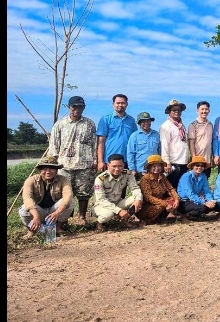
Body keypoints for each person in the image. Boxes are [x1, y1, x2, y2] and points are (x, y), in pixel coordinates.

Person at [47, 95, 98, 224]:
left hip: (84, 164)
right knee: (64, 193)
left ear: (83, 108)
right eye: (74, 106)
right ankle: (64, 219)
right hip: (64, 166)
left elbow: (94, 144)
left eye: (80, 107)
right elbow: (53, 146)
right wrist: (53, 164)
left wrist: (95, 160)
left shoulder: (89, 123)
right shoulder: (60, 124)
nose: (77, 109)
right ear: (69, 107)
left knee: (84, 193)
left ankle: (81, 217)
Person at [19, 156, 74, 238]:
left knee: (70, 202)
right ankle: (32, 230)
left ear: (56, 170)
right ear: (40, 170)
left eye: (51, 168)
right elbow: (27, 198)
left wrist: (57, 213)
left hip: (54, 211)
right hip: (39, 211)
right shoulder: (31, 180)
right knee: (23, 209)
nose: (48, 172)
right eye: (44, 169)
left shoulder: (63, 180)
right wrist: (36, 216)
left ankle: (57, 228)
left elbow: (67, 196)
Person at [91, 154, 143, 228]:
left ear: (124, 165)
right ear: (108, 165)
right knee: (108, 214)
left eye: (120, 166)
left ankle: (124, 219)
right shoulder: (100, 179)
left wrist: (138, 199)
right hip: (101, 205)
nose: (117, 169)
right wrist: (119, 211)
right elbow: (101, 200)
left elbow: (135, 188)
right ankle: (99, 223)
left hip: (117, 202)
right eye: (114, 166)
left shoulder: (127, 174)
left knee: (138, 198)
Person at [96, 94, 136, 173]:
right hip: (110, 161)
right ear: (113, 104)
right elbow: (101, 142)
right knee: (108, 184)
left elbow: (135, 141)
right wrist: (100, 161)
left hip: (127, 161)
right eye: (118, 103)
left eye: (123, 103)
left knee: (126, 184)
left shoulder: (131, 120)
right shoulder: (105, 119)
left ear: (127, 104)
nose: (120, 105)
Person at [136, 154, 179, 224]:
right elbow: (148, 198)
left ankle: (160, 218)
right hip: (146, 207)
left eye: (159, 166)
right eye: (154, 166)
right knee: (160, 206)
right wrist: (165, 204)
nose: (157, 168)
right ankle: (147, 221)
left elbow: (171, 189)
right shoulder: (145, 179)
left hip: (160, 202)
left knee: (174, 201)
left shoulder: (162, 177)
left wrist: (176, 199)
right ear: (149, 168)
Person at [159, 99, 191, 189]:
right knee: (171, 187)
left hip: (183, 161)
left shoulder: (181, 126)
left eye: (179, 110)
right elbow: (164, 145)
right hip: (173, 162)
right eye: (174, 110)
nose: (177, 112)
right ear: (169, 112)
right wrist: (166, 162)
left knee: (181, 187)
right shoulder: (166, 126)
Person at [176, 155, 216, 220]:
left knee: (213, 205)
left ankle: (194, 215)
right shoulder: (186, 177)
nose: (199, 167)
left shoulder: (203, 176)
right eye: (197, 165)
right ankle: (186, 216)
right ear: (192, 166)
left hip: (195, 201)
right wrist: (205, 203)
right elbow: (190, 194)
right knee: (203, 207)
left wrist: (210, 201)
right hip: (184, 201)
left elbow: (207, 191)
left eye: (202, 166)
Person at [125, 112, 160, 178]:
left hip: (154, 170)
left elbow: (159, 151)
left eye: (148, 121)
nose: (146, 123)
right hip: (140, 171)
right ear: (139, 123)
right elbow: (130, 153)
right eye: (143, 121)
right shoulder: (134, 136)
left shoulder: (156, 134)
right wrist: (132, 169)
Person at [186, 101, 215, 180]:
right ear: (197, 111)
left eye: (206, 109)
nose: (204, 111)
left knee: (205, 180)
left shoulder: (210, 124)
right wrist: (194, 158)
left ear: (209, 110)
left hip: (207, 161)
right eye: (202, 109)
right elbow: (191, 143)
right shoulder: (193, 125)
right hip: (197, 160)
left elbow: (211, 142)